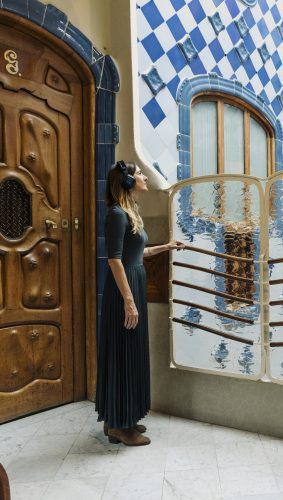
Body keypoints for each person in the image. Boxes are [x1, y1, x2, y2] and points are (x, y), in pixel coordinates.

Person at [95, 160, 184, 446]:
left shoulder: (128, 213)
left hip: (132, 284)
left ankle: (119, 421)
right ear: (129, 182)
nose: (145, 176)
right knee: (122, 353)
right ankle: (121, 427)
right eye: (139, 174)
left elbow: (136, 253)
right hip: (124, 292)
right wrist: (129, 301)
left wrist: (167, 247)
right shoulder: (117, 214)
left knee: (129, 351)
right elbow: (114, 260)